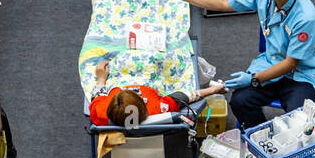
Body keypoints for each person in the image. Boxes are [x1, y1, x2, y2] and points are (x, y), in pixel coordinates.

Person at [164, 0, 315, 129]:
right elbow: (223, 2)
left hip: (301, 76)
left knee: (298, 120)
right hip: (270, 64)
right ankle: (262, 137)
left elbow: (290, 63)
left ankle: (282, 147)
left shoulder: (306, 18)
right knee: (240, 101)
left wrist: (253, 79)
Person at [88, 59, 226, 127]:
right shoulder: (160, 108)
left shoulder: (100, 111)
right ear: (143, 103)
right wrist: (213, 90)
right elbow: (186, 96)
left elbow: (98, 95)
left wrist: (101, 78)